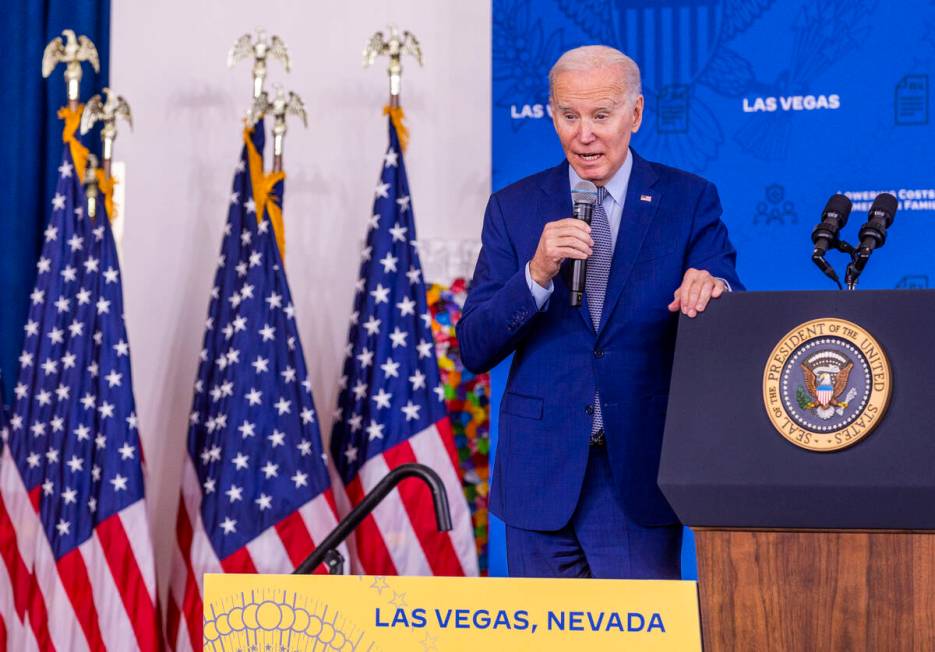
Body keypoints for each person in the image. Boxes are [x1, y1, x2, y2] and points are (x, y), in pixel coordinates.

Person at [457, 45, 743, 579]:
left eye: (601, 115)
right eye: (569, 116)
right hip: (537, 479)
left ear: (635, 114)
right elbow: (474, 345)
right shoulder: (513, 207)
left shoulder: (688, 199)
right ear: (551, 115)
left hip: (636, 474)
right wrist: (536, 274)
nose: (583, 134)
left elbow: (726, 300)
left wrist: (714, 289)